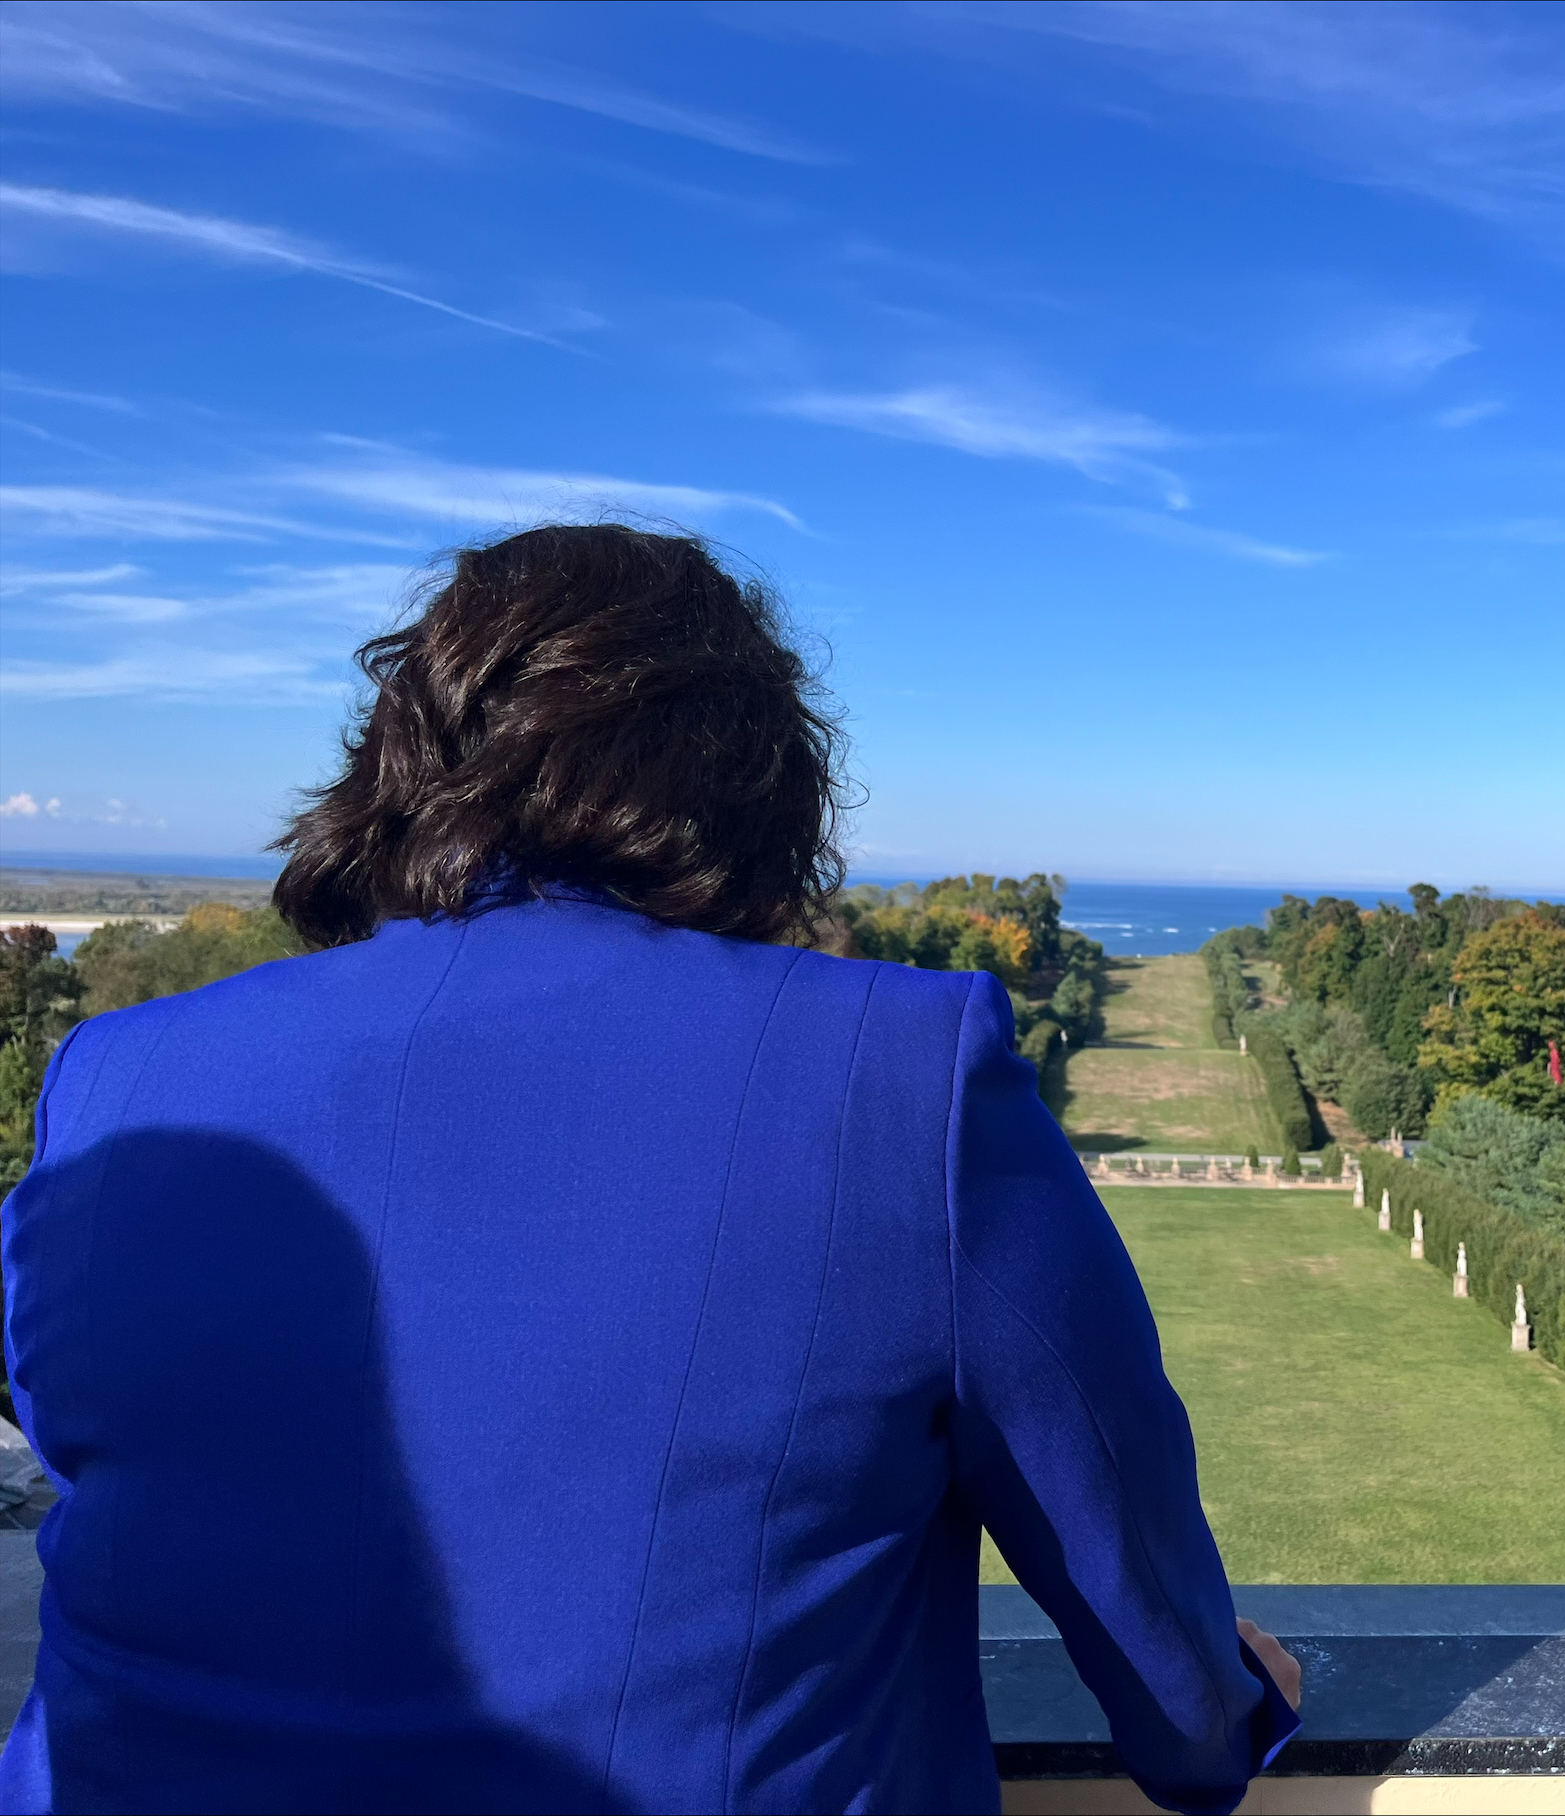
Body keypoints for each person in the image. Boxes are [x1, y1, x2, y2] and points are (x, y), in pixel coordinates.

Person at [0, 524, 1299, 1814]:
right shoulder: (901, 1070)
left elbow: (92, 1449)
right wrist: (1219, 1729)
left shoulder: (119, 1074)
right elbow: (1112, 1525)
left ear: (397, 767)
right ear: (755, 780)